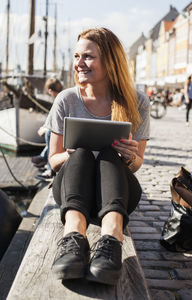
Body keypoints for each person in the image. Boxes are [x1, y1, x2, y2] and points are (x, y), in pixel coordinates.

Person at [45, 27, 150, 285]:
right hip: (73, 194)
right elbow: (53, 159)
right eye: (77, 56)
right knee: (80, 154)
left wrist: (128, 156)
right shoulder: (66, 99)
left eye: (88, 56)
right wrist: (68, 156)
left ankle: (112, 237)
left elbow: (136, 164)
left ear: (110, 61)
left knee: (108, 155)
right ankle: (73, 237)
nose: (79, 63)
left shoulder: (136, 102)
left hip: (116, 197)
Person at [31, 78, 63, 179]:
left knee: (49, 133)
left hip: (62, 130)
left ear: (50, 91)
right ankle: (44, 157)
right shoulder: (63, 97)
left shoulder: (60, 99)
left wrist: (45, 128)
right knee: (49, 131)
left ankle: (50, 168)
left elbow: (56, 121)